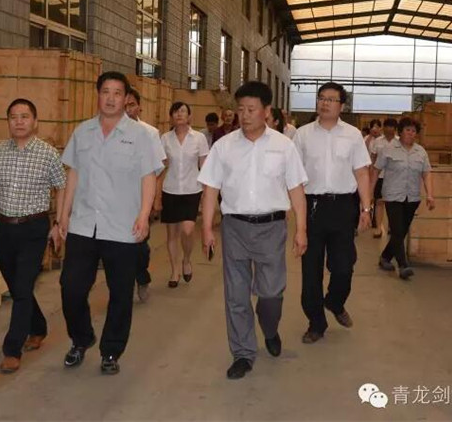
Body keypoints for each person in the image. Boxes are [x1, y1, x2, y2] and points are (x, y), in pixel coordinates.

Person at [199, 81, 308, 380]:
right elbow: (210, 189)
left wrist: (301, 229)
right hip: (234, 227)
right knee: (236, 295)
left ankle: (269, 329)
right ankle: (243, 353)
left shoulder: (284, 146)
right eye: (240, 109)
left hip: (271, 227)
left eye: (251, 109)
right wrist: (207, 228)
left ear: (266, 111)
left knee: (271, 293)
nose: (244, 115)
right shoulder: (223, 147)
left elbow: (296, 189)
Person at [58, 71, 163, 375]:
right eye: (106, 91)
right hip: (83, 223)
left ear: (126, 98)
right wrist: (63, 213)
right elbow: (73, 173)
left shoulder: (141, 135)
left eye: (117, 93)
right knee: (71, 287)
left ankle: (111, 351)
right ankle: (81, 338)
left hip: (122, 226)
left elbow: (148, 177)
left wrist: (144, 215)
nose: (111, 98)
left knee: (120, 293)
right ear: (98, 95)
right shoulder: (83, 132)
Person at [0, 98, 66, 374]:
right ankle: (38, 327)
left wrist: (59, 223)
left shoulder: (48, 154)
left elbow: (62, 187)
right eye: (14, 117)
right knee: (17, 286)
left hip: (34, 229)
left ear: (35, 122)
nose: (19, 121)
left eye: (25, 116)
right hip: (4, 228)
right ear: (8, 122)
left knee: (22, 287)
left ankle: (12, 350)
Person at [293, 82, 372, 345]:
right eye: (321, 98)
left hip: (343, 207)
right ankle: (316, 323)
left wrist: (366, 208)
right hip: (312, 206)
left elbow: (362, 173)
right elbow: (294, 176)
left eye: (331, 99)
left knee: (343, 266)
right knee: (311, 271)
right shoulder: (302, 135)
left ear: (342, 105)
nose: (325, 103)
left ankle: (335, 302)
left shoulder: (352, 135)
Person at [371, 117, 435, 280]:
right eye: (408, 130)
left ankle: (385, 257)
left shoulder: (420, 152)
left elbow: (426, 173)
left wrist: (430, 194)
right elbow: (376, 170)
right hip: (393, 196)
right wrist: (369, 192)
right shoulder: (388, 149)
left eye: (414, 131)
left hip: (412, 197)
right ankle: (403, 265)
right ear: (401, 131)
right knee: (397, 230)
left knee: (401, 232)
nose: (411, 133)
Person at [155, 102, 209, 287]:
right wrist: (157, 196)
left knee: (188, 230)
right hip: (170, 190)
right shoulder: (165, 138)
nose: (179, 114)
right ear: (171, 116)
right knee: (172, 234)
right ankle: (175, 270)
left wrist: (207, 194)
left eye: (183, 111)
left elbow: (204, 167)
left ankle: (186, 259)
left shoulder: (199, 138)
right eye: (176, 112)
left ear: (189, 116)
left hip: (192, 190)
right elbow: (161, 168)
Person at [124, 88, 166, 302]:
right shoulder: (108, 131)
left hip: (141, 199)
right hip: (116, 200)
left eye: (131, 105)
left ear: (139, 106)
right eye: (124, 106)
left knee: (139, 245)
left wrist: (155, 199)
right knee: (119, 246)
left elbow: (159, 167)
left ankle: (141, 277)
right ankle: (123, 285)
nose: (127, 110)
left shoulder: (149, 133)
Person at [370, 118, 398, 238]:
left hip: (395, 177)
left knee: (393, 203)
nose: (389, 129)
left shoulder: (399, 142)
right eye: (387, 126)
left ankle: (392, 227)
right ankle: (378, 228)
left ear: (395, 129)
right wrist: (371, 173)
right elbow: (373, 157)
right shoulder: (377, 141)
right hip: (380, 176)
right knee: (379, 202)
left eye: (391, 127)